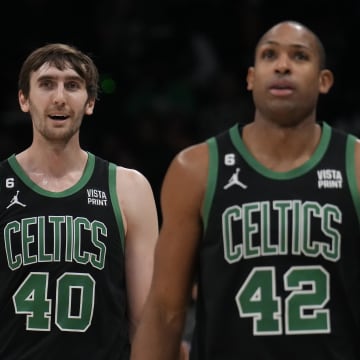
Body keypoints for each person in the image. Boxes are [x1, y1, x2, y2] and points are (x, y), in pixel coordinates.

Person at [130, 20, 360, 359]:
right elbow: (165, 310)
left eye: (299, 56)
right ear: (251, 78)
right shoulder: (196, 169)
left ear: (324, 81)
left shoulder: (354, 164)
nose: (282, 65)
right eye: (270, 55)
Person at [0, 43, 159, 359]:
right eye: (46, 84)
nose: (59, 97)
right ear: (24, 99)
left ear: (89, 103)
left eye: (72, 85)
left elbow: (146, 322)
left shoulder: (129, 188)